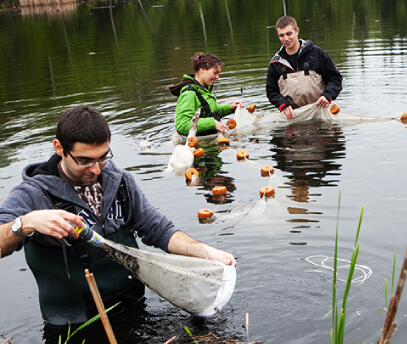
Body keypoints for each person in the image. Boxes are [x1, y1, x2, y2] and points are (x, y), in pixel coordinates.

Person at [0, 106, 236, 326]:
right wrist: (25, 223)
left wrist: (205, 252)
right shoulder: (32, 195)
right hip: (72, 325)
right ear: (59, 148)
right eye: (84, 161)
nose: (95, 169)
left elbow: (158, 230)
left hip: (133, 308)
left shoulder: (120, 181)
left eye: (102, 157)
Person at [266, 15, 343, 120]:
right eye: (281, 35)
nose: (286, 39)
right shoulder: (275, 63)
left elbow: (335, 78)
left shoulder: (317, 54)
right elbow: (271, 91)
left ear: (297, 31)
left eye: (289, 34)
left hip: (320, 112)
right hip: (292, 117)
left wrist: (327, 96)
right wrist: (282, 104)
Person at [171, 52, 243, 137]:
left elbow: (209, 112)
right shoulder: (189, 93)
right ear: (202, 70)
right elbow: (182, 125)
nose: (217, 77)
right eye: (215, 73)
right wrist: (213, 123)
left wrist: (230, 107)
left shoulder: (205, 89)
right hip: (198, 146)